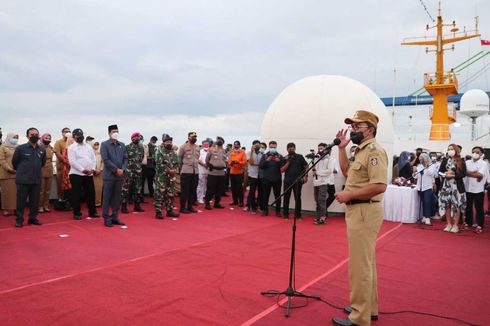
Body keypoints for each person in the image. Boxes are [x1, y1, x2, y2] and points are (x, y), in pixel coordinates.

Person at [332, 110, 388, 326]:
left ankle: (359, 317)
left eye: (357, 126)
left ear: (370, 129)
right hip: (360, 210)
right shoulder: (361, 150)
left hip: (364, 210)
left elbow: (379, 185)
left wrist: (349, 195)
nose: (353, 130)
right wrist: (342, 149)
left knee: (359, 265)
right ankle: (368, 308)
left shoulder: (374, 151)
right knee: (366, 263)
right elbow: (347, 172)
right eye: (352, 126)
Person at [12, 127, 47, 227]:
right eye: (32, 135)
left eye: (36, 134)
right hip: (23, 180)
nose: (34, 136)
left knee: (35, 202)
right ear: (27, 136)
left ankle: (32, 219)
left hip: (36, 179)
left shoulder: (41, 149)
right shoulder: (20, 148)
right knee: (21, 202)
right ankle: (19, 220)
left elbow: (42, 163)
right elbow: (14, 162)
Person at [68, 128, 99, 220]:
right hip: (76, 174)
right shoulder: (71, 147)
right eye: (78, 135)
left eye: (81, 134)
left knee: (91, 194)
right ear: (74, 137)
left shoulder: (88, 146)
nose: (80, 136)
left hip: (89, 174)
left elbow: (93, 159)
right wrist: (83, 170)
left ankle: (92, 212)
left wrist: (92, 169)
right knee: (76, 194)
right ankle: (77, 213)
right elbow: (72, 161)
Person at [100, 124, 128, 227]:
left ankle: (115, 216)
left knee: (117, 198)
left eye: (117, 131)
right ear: (109, 133)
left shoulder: (122, 145)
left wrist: (123, 169)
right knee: (107, 197)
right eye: (113, 132)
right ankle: (106, 217)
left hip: (120, 176)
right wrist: (116, 169)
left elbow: (126, 158)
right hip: (109, 176)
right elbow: (106, 160)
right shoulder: (104, 145)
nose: (115, 133)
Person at [438, 144, 466, 233]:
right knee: (447, 204)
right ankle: (449, 224)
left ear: (456, 150)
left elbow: (463, 174)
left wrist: (453, 175)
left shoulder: (461, 161)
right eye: (449, 149)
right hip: (445, 186)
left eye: (452, 149)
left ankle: (455, 225)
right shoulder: (445, 160)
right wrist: (445, 175)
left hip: (456, 185)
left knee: (456, 205)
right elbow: (440, 172)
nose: (450, 151)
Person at [153, 134, 180, 219]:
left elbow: (176, 163)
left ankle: (169, 211)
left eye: (170, 142)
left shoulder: (173, 152)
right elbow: (158, 164)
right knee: (160, 194)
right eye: (167, 142)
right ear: (163, 142)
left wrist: (174, 170)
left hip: (171, 177)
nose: (169, 143)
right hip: (162, 177)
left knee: (170, 194)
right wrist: (168, 170)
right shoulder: (159, 151)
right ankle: (158, 212)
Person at [281, 143, 307, 219]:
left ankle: (298, 215)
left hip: (298, 181)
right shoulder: (284, 158)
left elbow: (306, 166)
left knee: (298, 198)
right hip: (287, 181)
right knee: (286, 198)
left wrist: (305, 176)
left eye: (292, 148)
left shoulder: (300, 157)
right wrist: (288, 161)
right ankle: (286, 215)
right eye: (289, 148)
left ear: (295, 148)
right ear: (287, 149)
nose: (291, 149)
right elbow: (282, 170)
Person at [259, 141, 285, 217]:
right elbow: (261, 166)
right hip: (266, 179)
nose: (272, 149)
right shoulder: (264, 156)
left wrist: (279, 161)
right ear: (269, 147)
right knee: (265, 196)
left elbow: (283, 167)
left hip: (277, 179)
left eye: (274, 147)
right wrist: (267, 160)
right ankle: (265, 211)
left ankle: (278, 211)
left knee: (277, 196)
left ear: (276, 147)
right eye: (271, 147)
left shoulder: (280, 156)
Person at [464, 146, 486, 234]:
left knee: (479, 207)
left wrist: (469, 173)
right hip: (468, 187)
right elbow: (463, 172)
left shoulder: (483, 163)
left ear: (481, 154)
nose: (475, 154)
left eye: (477, 152)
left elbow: (480, 175)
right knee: (468, 206)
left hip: (478, 188)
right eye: (474, 152)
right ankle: (468, 222)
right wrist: (474, 173)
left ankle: (480, 225)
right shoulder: (467, 162)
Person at [121, 132, 145, 213]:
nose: (139, 139)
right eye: (137, 138)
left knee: (138, 189)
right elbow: (123, 159)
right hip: (128, 172)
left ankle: (137, 206)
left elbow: (141, 159)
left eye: (139, 138)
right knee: (125, 189)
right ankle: (124, 206)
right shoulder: (127, 147)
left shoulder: (141, 148)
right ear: (133, 138)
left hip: (138, 172)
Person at [312, 143, 335, 225]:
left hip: (324, 182)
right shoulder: (316, 159)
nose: (320, 150)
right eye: (319, 148)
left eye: (321, 148)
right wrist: (314, 171)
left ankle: (323, 218)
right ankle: (318, 217)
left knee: (321, 200)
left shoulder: (330, 159)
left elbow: (329, 171)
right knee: (317, 200)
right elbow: (314, 170)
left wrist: (317, 173)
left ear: (326, 149)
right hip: (316, 182)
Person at [178, 131, 199, 214]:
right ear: (188, 137)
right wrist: (180, 169)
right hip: (186, 171)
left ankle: (190, 206)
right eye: (193, 137)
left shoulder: (197, 147)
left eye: (195, 137)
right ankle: (182, 207)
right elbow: (180, 159)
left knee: (193, 190)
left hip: (195, 171)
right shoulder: (183, 147)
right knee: (184, 190)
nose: (194, 138)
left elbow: (197, 158)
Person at [414, 152, 437, 225]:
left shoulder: (432, 166)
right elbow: (416, 176)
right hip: (420, 187)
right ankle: (424, 216)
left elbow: (432, 174)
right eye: (420, 158)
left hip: (427, 187)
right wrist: (414, 172)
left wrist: (426, 166)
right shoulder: (419, 166)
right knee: (423, 202)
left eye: (422, 158)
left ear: (426, 158)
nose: (421, 160)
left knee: (427, 202)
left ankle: (428, 217)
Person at [204, 136, 227, 210]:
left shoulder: (224, 151)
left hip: (221, 172)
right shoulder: (211, 150)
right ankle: (207, 203)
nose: (219, 141)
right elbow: (207, 160)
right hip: (213, 172)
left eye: (221, 140)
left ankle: (217, 203)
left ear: (223, 142)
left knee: (219, 189)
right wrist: (209, 166)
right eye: (218, 140)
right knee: (210, 188)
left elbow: (225, 160)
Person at [0, 132, 19, 216]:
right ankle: (6, 209)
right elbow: (2, 160)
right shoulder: (2, 147)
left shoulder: (18, 147)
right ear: (9, 137)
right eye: (14, 137)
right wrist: (10, 169)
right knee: (6, 193)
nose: (15, 139)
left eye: (16, 137)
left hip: (17, 174)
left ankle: (16, 209)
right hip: (6, 174)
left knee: (17, 193)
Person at [53, 127, 71, 207]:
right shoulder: (58, 142)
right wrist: (66, 161)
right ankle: (61, 200)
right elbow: (57, 153)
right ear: (62, 133)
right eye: (65, 131)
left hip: (71, 167)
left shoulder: (72, 142)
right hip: (62, 166)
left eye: (69, 131)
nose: (67, 133)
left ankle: (70, 201)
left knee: (71, 184)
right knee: (61, 184)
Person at [245, 140, 263, 214]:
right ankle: (253, 207)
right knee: (252, 192)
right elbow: (251, 162)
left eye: (258, 145)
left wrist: (258, 164)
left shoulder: (262, 153)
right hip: (252, 175)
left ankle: (258, 206)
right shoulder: (249, 153)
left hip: (261, 175)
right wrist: (252, 152)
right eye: (255, 145)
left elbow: (263, 164)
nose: (257, 146)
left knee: (260, 192)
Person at [39, 133, 54, 213]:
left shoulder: (51, 147)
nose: (48, 139)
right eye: (46, 138)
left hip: (50, 168)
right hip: (41, 168)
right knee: (41, 190)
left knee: (48, 189)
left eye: (49, 138)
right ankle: (40, 206)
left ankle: (46, 205)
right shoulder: (39, 147)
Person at [228, 140, 247, 206]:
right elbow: (229, 161)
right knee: (233, 188)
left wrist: (238, 162)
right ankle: (235, 201)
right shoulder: (232, 152)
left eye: (237, 144)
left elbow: (244, 161)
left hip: (239, 172)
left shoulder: (242, 152)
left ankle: (241, 201)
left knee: (239, 188)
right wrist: (231, 163)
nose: (236, 146)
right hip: (232, 172)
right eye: (235, 144)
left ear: (239, 145)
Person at [197, 139, 211, 204]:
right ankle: (199, 198)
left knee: (207, 184)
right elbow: (198, 160)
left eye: (207, 144)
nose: (206, 145)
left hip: (209, 170)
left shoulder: (210, 151)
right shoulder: (200, 151)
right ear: (202, 144)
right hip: (201, 170)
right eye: (205, 144)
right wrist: (204, 165)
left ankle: (206, 197)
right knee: (200, 184)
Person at [92, 141, 104, 207]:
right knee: (92, 188)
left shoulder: (100, 153)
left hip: (100, 173)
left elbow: (103, 162)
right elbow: (89, 162)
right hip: (92, 173)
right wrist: (94, 169)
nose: (96, 145)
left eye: (97, 144)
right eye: (95, 144)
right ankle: (92, 202)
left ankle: (98, 202)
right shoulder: (90, 153)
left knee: (99, 188)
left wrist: (100, 170)